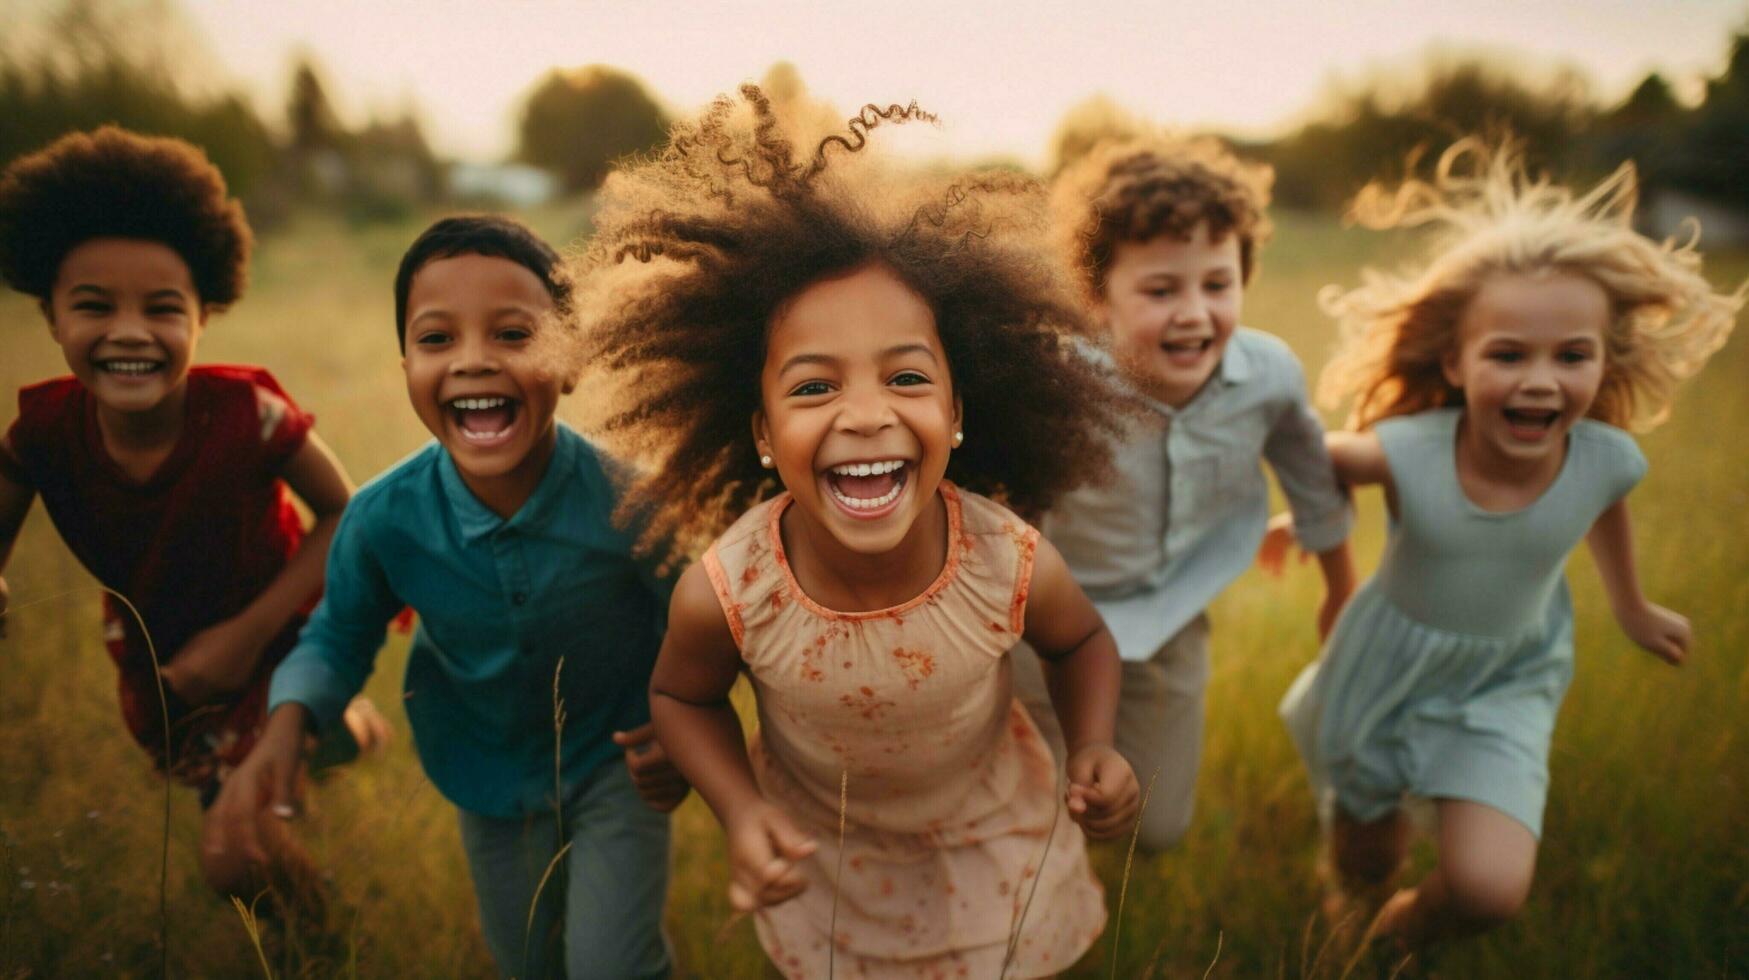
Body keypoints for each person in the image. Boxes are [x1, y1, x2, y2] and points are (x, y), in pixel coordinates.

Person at [556, 86, 1140, 978]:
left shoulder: (1003, 558)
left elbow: (1081, 640)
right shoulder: (730, 590)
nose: (864, 415)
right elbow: (681, 698)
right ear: (758, 433)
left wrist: (1093, 740)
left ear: (955, 413)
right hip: (825, 857)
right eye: (813, 387)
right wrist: (741, 811)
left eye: (905, 379)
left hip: (989, 829)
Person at [1278, 140, 1741, 947]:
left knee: (1488, 889)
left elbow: (1599, 505)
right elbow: (1322, 458)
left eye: (1571, 356)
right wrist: (1308, 523)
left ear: (1603, 360)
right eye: (1507, 355)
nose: (1540, 381)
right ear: (1455, 362)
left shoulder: (1606, 459)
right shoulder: (1413, 448)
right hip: (1384, 662)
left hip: (1505, 677)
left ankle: (1396, 937)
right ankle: (1355, 912)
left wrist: (1631, 606)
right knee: (1366, 851)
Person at [210, 216, 684, 979]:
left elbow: (694, 621)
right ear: (404, 364)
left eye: (512, 334)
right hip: (487, 778)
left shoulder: (635, 503)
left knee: (611, 967)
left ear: (571, 361)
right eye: (436, 340)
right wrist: (286, 727)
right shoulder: (384, 518)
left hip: (616, 768)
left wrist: (677, 722)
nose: (471, 361)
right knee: (526, 961)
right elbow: (337, 635)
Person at [0, 126, 381, 898]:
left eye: (163, 308)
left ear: (204, 313)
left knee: (238, 859)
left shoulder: (251, 414)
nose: (130, 332)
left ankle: (324, 947)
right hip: (164, 655)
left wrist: (244, 639)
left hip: (275, 631)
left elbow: (347, 515)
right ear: (50, 315)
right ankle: (337, 739)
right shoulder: (40, 435)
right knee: (247, 820)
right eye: (94, 306)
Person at [1011, 135, 1355, 851]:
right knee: (1039, 818)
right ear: (1095, 299)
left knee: (1154, 827)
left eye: (1216, 285)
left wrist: (1338, 588)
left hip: (1168, 623)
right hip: (1044, 630)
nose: (1194, 312)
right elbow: (998, 504)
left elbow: (1312, 479)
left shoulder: (1267, 376)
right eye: (1161, 290)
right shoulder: (1057, 385)